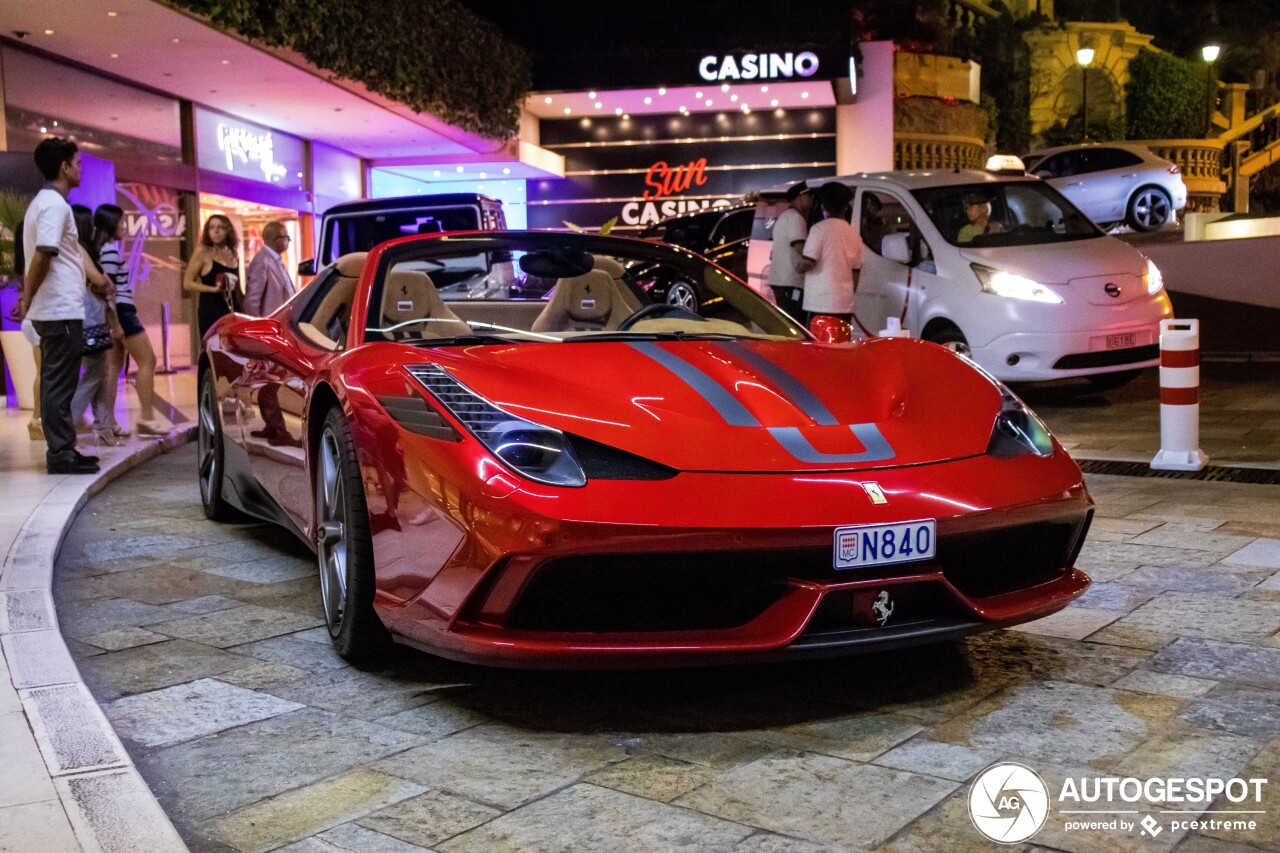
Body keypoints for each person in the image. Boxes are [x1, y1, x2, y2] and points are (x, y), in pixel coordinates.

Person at [12, 138, 99, 474]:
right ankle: (61, 453)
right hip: (58, 309)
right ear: (64, 166)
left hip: (59, 307)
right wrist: (28, 296)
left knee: (57, 382)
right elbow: (44, 253)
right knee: (58, 383)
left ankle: (65, 449)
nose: (80, 169)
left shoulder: (46, 203)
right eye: (77, 163)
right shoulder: (54, 206)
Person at [94, 203, 166, 436]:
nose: (123, 226)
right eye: (121, 222)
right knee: (148, 361)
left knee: (114, 367)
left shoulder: (102, 250)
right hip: (122, 312)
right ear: (111, 224)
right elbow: (108, 290)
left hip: (116, 313)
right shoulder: (110, 252)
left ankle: (108, 422)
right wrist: (115, 322)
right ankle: (146, 418)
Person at [69, 204, 122, 445]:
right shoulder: (79, 250)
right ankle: (71, 418)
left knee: (98, 370)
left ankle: (103, 426)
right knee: (95, 371)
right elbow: (101, 282)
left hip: (90, 319)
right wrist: (106, 284)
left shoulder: (76, 250)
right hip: (90, 321)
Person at [798, 181, 862, 328]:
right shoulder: (854, 234)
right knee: (841, 344)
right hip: (844, 305)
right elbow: (856, 272)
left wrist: (798, 268)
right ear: (845, 208)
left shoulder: (818, 229)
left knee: (819, 346)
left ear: (823, 207)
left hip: (820, 304)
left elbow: (808, 261)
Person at [184, 214, 240, 339]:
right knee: (213, 349)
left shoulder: (232, 253)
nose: (216, 231)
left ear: (227, 230)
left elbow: (238, 287)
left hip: (232, 308)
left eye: (220, 227)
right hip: (211, 309)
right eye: (212, 228)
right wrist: (213, 289)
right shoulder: (202, 252)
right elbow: (187, 283)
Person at [768, 181, 814, 322]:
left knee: (788, 321)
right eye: (808, 196)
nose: (811, 200)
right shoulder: (795, 218)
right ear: (799, 199)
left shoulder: (786, 216)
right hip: (789, 282)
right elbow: (800, 248)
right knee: (795, 322)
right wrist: (816, 256)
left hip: (782, 281)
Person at [245, 220, 295, 315]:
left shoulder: (275, 259)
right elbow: (252, 301)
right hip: (270, 323)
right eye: (286, 237)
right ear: (274, 239)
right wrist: (260, 326)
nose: (289, 240)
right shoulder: (262, 261)